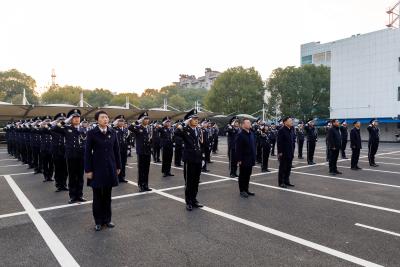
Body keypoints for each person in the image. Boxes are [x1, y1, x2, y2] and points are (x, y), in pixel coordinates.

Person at [85, 110, 121, 231]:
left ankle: (107, 219)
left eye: (106, 117)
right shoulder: (92, 133)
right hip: (97, 168)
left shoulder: (113, 132)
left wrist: (118, 166)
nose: (105, 119)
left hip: (110, 167)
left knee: (107, 195)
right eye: (102, 117)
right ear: (97, 120)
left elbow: (116, 151)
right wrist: (88, 170)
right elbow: (87, 153)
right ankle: (98, 221)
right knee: (97, 196)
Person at [52, 109, 86, 204]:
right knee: (72, 176)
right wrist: (65, 121)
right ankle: (73, 196)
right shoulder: (66, 128)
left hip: (81, 156)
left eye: (78, 117)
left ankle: (80, 195)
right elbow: (54, 129)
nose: (76, 119)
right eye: (74, 117)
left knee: (80, 176)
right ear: (70, 119)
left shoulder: (84, 129)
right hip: (71, 156)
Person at [175, 109, 204, 211]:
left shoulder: (198, 129)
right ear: (189, 120)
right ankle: (189, 202)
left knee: (196, 181)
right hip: (190, 159)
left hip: (198, 159)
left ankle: (194, 199)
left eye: (197, 119)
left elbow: (200, 144)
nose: (196, 120)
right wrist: (184, 123)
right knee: (189, 181)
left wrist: (202, 157)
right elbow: (176, 132)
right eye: (194, 119)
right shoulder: (185, 129)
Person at [129, 112, 152, 192]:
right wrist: (137, 121)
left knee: (146, 169)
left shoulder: (149, 128)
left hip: (148, 151)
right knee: (141, 170)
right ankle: (141, 185)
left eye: (147, 118)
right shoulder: (138, 127)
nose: (147, 120)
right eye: (145, 119)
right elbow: (130, 127)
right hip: (141, 151)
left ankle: (146, 185)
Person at [235, 118, 256, 198]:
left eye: (250, 123)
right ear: (243, 125)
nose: (249, 124)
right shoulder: (240, 135)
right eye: (247, 123)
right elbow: (238, 148)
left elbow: (253, 146)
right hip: (244, 159)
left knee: (248, 175)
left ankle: (246, 189)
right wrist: (239, 159)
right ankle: (242, 190)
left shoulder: (251, 133)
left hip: (250, 158)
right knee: (243, 175)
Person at [277, 117, 295, 188]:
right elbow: (279, 142)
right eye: (290, 121)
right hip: (284, 152)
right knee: (283, 168)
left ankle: (287, 181)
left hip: (290, 151)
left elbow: (292, 140)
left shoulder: (291, 129)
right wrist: (280, 152)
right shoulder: (281, 130)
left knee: (288, 167)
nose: (291, 122)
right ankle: (281, 182)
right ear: (285, 122)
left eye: (291, 120)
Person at [112, 115, 129, 183]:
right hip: (116, 150)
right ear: (116, 122)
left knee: (123, 163)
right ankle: (116, 177)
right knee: (116, 164)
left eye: (123, 121)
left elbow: (126, 140)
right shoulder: (113, 129)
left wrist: (128, 148)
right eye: (120, 121)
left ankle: (122, 177)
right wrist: (113, 124)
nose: (122, 122)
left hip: (124, 149)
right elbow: (108, 128)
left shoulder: (125, 130)